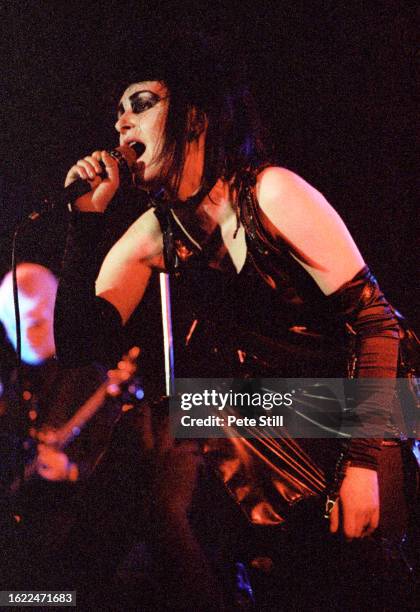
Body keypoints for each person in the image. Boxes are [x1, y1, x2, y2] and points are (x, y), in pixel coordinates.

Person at [53, 35, 410, 607]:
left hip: (364, 410)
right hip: (257, 415)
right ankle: (55, 591)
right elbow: (77, 343)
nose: (121, 123)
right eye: (117, 112)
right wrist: (85, 221)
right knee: (145, 431)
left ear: (195, 117)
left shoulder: (272, 192)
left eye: (140, 103)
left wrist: (363, 465)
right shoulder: (156, 230)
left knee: (181, 414)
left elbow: (378, 323)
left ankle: (49, 590)